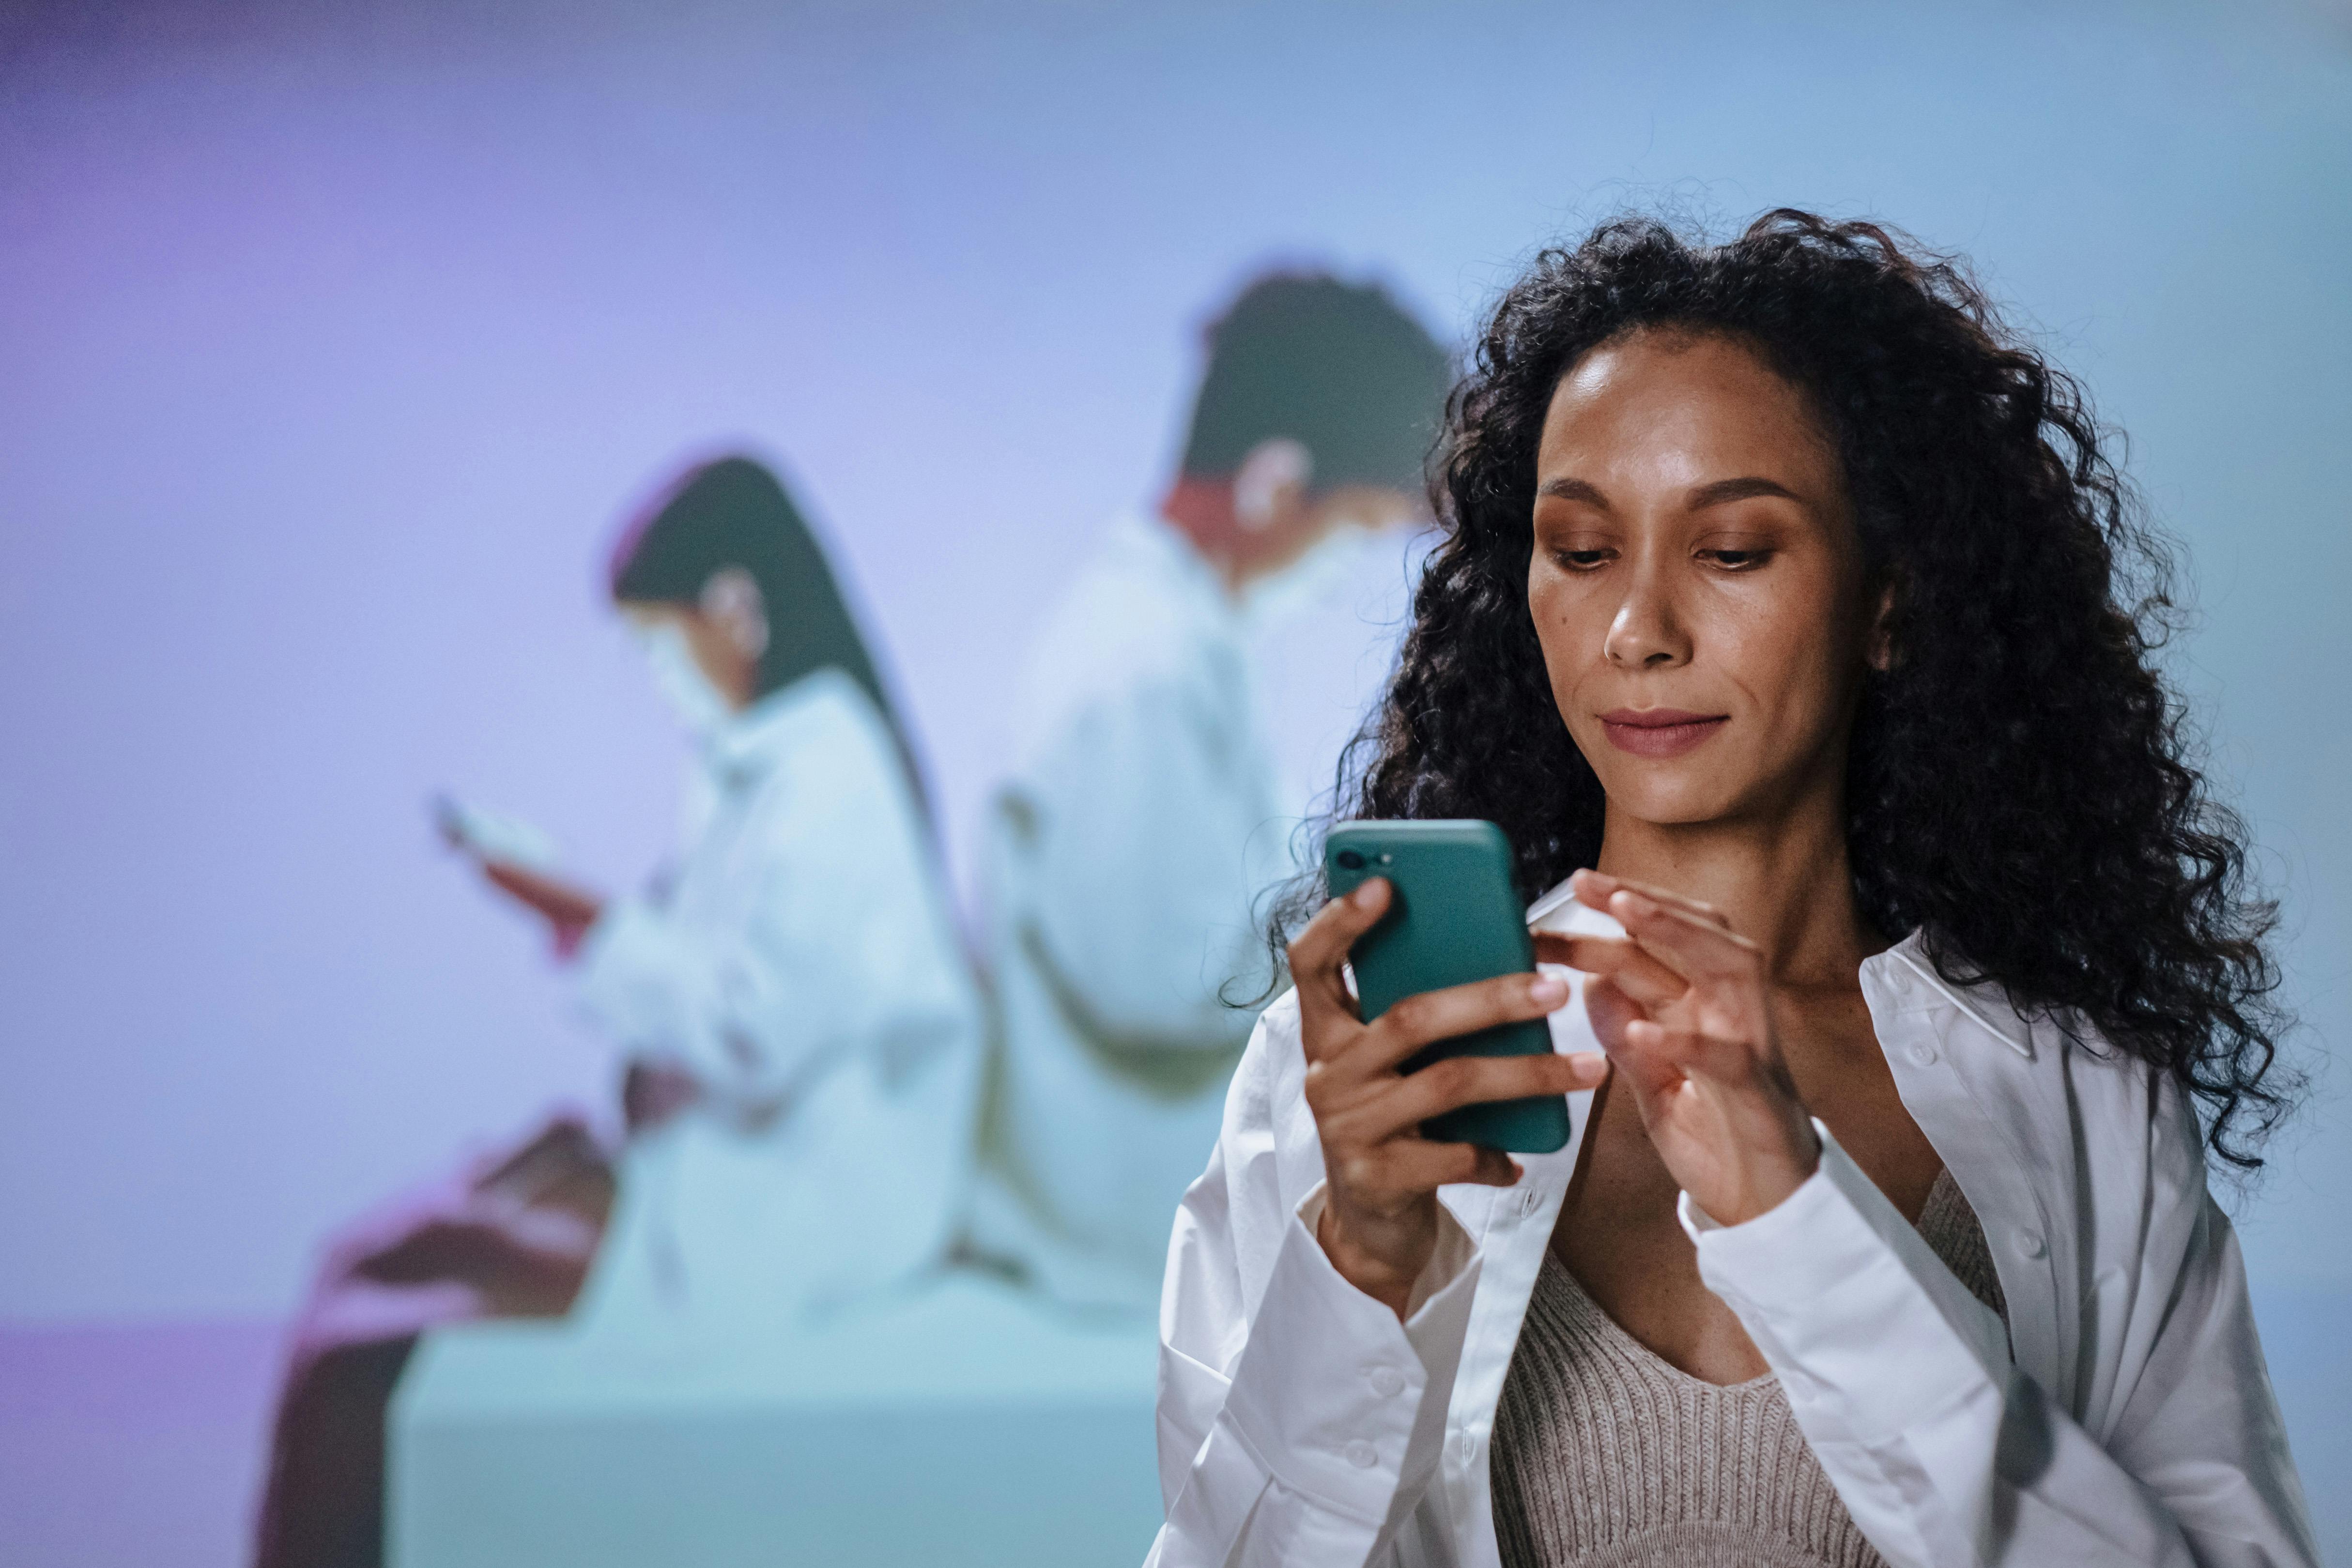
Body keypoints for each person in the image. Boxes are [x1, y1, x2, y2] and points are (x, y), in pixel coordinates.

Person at [1146, 213, 2316, 1567]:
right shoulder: (1352, 1077)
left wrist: (1799, 1219)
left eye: (1734, 549)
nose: (1638, 628)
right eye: (1582, 552)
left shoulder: (2077, 1092)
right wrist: (1356, 1266)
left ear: (1887, 602)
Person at [966, 272, 1453, 1311]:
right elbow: (1154, 974)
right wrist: (1377, 928)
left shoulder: (1181, 643)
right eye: (1356, 528)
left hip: (1158, 1224)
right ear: (1276, 485)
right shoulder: (1142, 667)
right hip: (1115, 1248)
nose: (1347, 569)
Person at [488, 454, 986, 1327]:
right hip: (750, 1158)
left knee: (431, 1260)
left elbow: (755, 1037)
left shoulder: (828, 777)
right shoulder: (762, 763)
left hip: (814, 1198)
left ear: (734, 611)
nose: (657, 673)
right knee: (500, 1190)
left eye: (657, 641)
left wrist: (592, 923)